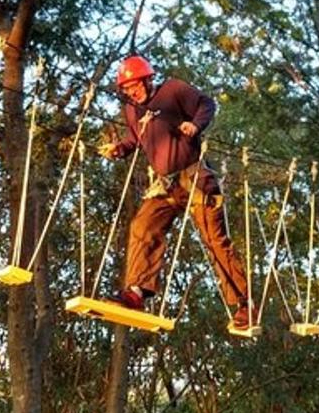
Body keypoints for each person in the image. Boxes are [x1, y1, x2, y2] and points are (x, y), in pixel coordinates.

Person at [98, 55, 253, 331]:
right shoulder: (133, 111)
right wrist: (120, 149)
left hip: (194, 178)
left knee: (215, 241)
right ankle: (136, 293)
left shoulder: (172, 90)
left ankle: (245, 305)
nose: (133, 91)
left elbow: (207, 103)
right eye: (127, 88)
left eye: (136, 84)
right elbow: (136, 138)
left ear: (148, 79)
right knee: (143, 226)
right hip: (166, 186)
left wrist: (195, 124)